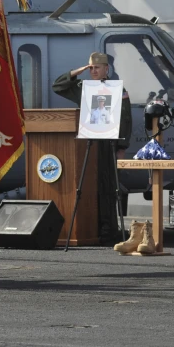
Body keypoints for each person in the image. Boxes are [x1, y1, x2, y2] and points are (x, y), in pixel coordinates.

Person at [52, 51, 132, 243]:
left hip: (109, 143)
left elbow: (126, 119)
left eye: (97, 68)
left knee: (109, 187)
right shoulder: (84, 87)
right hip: (90, 141)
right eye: (91, 68)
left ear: (107, 69)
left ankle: (109, 230)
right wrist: (77, 72)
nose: (93, 71)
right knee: (88, 186)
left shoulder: (118, 90)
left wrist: (122, 146)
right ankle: (90, 229)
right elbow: (58, 86)